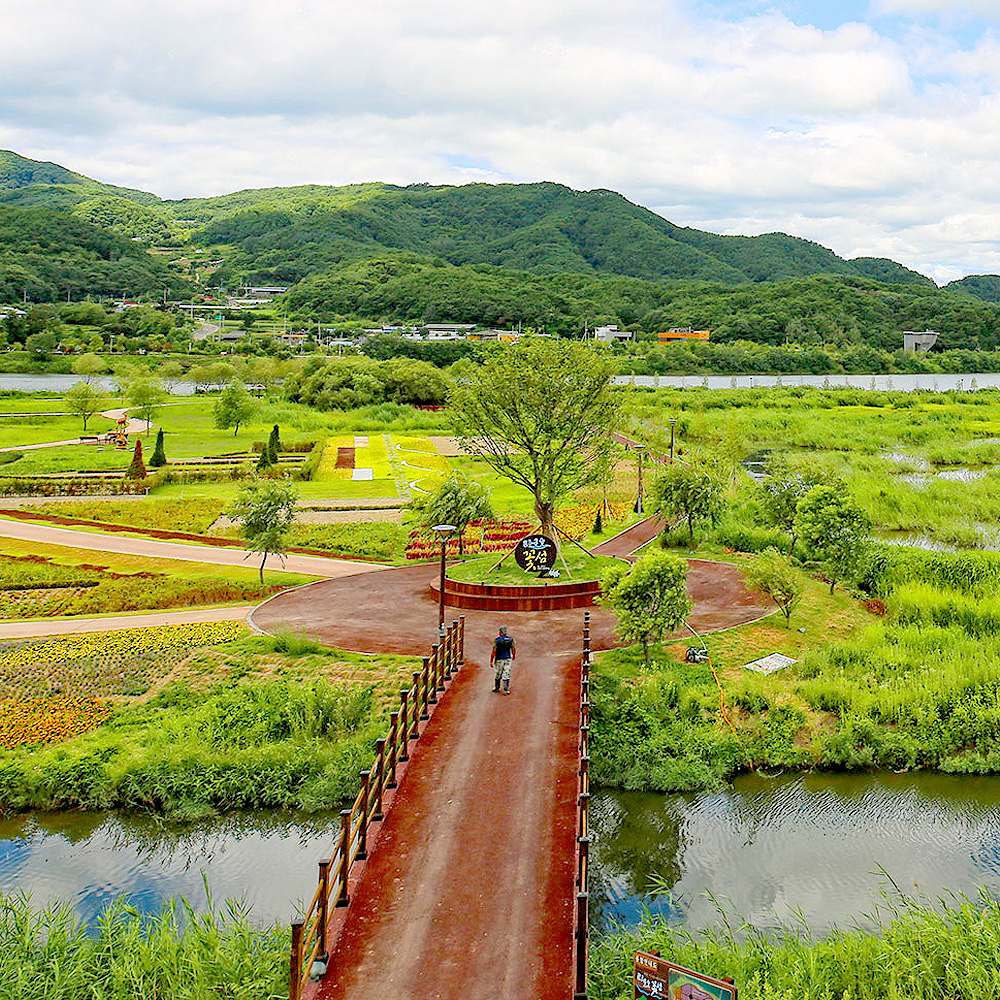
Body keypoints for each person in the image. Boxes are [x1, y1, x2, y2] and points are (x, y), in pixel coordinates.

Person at [490, 625, 516, 694]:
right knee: (506, 673)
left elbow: (494, 651)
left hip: (499, 659)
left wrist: (491, 661)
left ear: (501, 632)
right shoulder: (510, 639)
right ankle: (506, 689)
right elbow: (513, 648)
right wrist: (513, 655)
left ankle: (497, 687)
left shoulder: (497, 640)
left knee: (498, 673)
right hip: (507, 658)